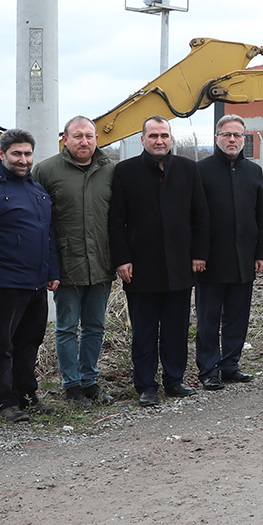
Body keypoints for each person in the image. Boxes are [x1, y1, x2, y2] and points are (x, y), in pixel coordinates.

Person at [109, 116, 209, 406]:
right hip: (141, 267)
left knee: (177, 329)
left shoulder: (188, 169)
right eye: (153, 135)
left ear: (171, 139)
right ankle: (146, 385)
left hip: (180, 265)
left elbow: (200, 214)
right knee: (144, 331)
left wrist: (199, 254)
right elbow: (117, 221)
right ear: (142, 140)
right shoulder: (125, 171)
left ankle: (174, 380)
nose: (159, 140)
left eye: (164, 135)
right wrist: (122, 259)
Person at [0, 129, 58, 422]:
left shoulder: (37, 191)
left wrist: (52, 271)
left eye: (27, 154)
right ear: (2, 154)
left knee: (29, 343)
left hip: (35, 284)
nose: (23, 160)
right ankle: (2, 400)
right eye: (16, 154)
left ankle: (26, 395)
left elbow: (47, 235)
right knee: (0, 345)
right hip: (4, 285)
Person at [34, 115, 115, 406]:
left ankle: (90, 381)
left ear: (97, 139)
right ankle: (72, 386)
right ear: (65, 140)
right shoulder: (45, 171)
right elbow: (38, 221)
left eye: (89, 136)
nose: (84, 141)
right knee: (67, 327)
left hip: (101, 264)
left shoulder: (110, 171)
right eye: (77, 136)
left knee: (95, 327)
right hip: (65, 266)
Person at [195, 114, 263, 388]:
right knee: (208, 319)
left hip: (244, 260)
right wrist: (197, 254)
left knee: (238, 317)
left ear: (244, 139)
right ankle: (208, 370)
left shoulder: (253, 171)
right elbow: (194, 216)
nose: (232, 140)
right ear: (217, 138)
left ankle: (230, 364)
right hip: (210, 261)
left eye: (237, 135)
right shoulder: (200, 170)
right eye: (227, 135)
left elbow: (262, 216)